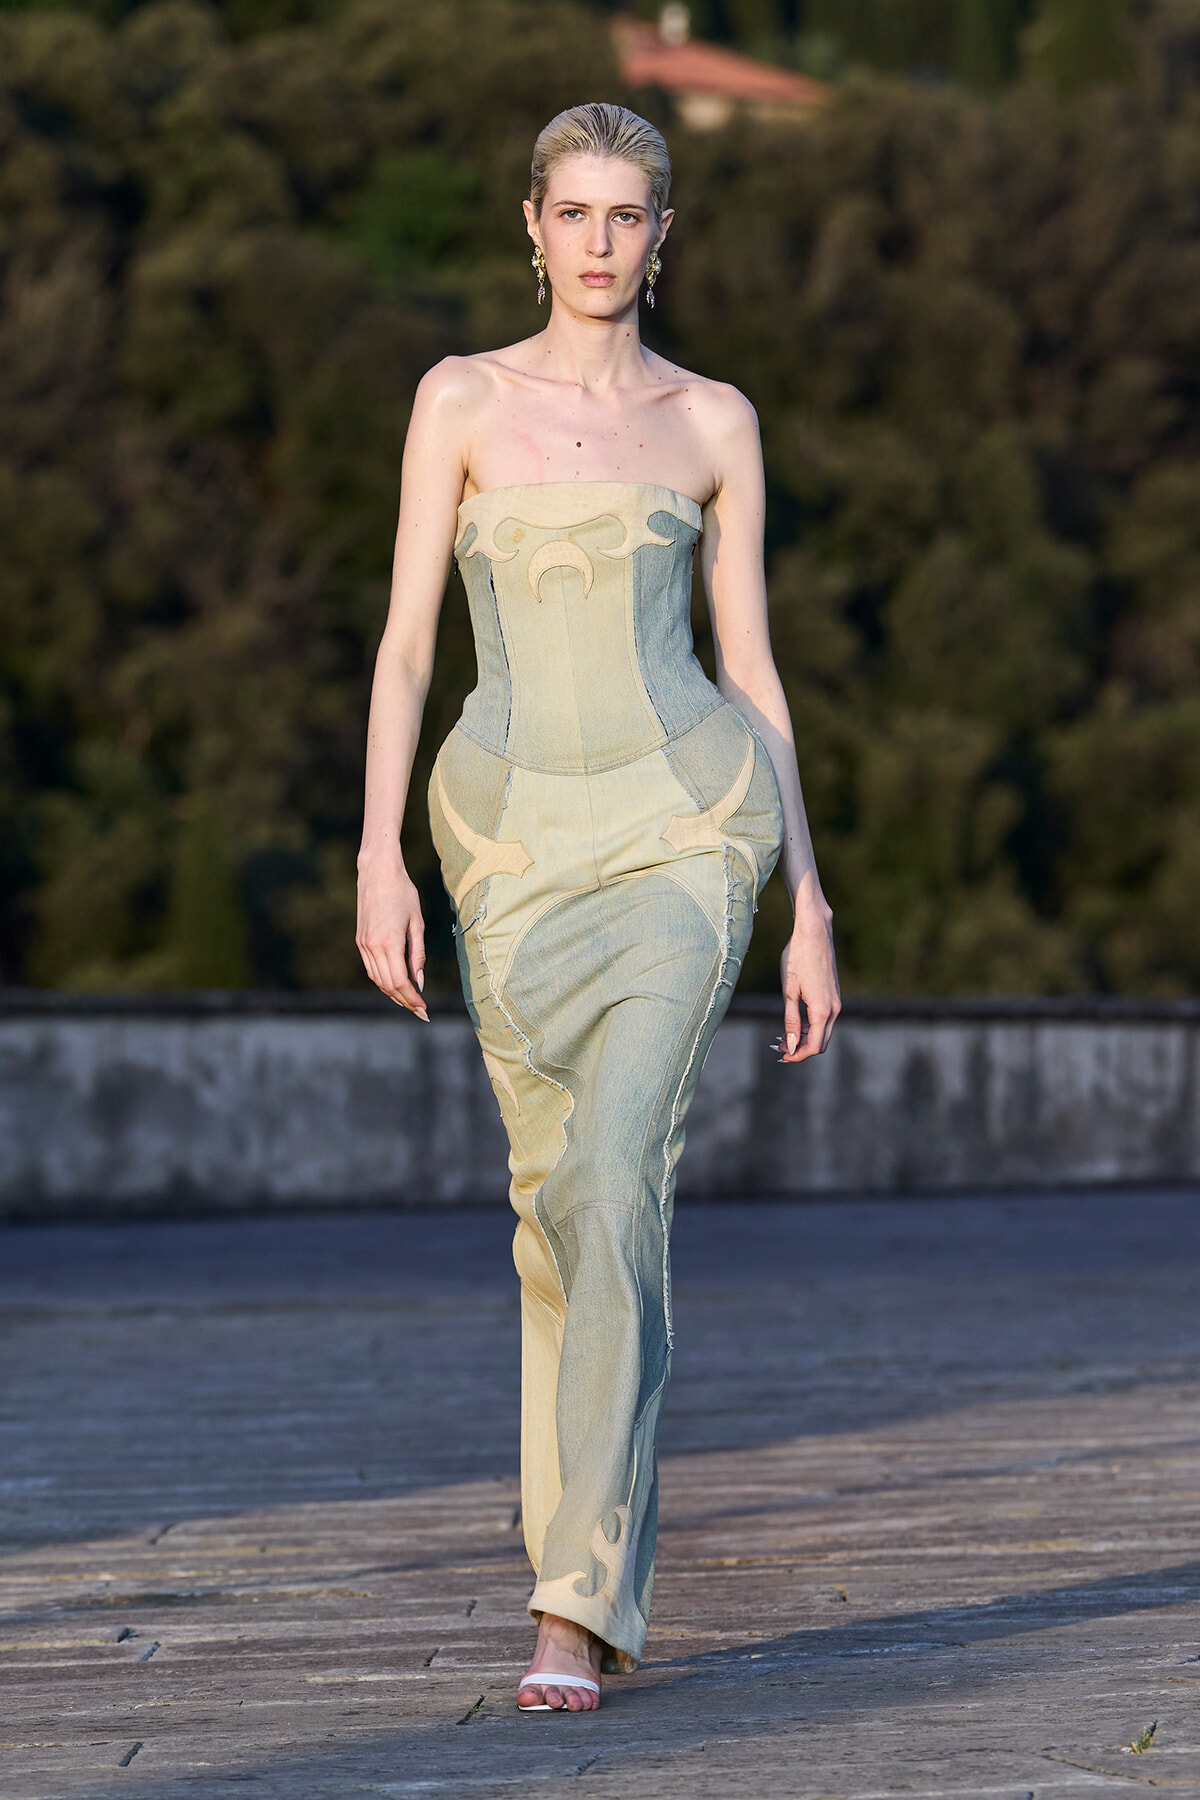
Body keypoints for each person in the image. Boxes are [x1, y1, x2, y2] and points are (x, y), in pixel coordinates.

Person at [356, 102, 840, 1714]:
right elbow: (411, 646)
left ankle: (575, 1602)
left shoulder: (714, 422)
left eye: (629, 217)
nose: (600, 244)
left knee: (621, 1169)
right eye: (574, 213)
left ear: (662, 235)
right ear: (531, 222)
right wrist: (381, 854)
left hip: (684, 833)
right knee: (553, 1207)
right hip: (507, 847)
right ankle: (572, 1539)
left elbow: (752, 667)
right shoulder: (459, 400)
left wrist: (808, 902)